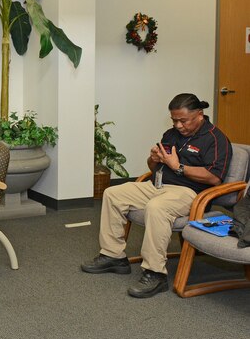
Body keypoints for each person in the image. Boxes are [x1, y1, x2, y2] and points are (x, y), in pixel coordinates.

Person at [81, 93, 232, 298]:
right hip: (158, 185)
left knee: (157, 207)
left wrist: (178, 167)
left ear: (199, 114)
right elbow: (154, 168)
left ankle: (155, 273)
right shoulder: (171, 134)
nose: (178, 125)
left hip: (189, 193)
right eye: (174, 120)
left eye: (183, 120)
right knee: (113, 194)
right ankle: (113, 255)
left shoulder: (215, 139)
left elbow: (214, 178)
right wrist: (153, 159)